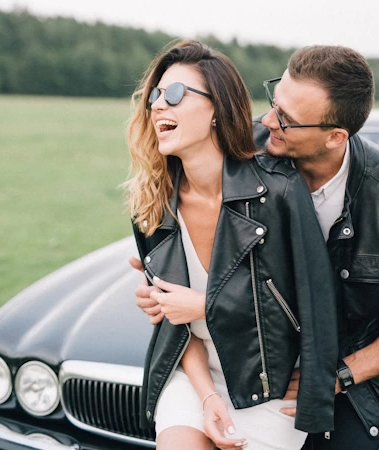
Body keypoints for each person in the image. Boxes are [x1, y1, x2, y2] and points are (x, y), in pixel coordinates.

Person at [131, 44, 379, 450]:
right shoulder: (246, 149)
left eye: (288, 120)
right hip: (252, 358)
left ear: (334, 137)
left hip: (358, 377)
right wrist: (162, 285)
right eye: (274, 103)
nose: (267, 121)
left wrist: (338, 375)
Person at [126, 40, 339, 450]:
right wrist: (206, 397)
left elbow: (311, 304)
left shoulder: (279, 191)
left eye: (174, 95)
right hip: (195, 373)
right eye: (155, 95)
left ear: (216, 111)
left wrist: (205, 306)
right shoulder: (152, 200)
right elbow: (175, 320)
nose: (158, 106)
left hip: (269, 384)